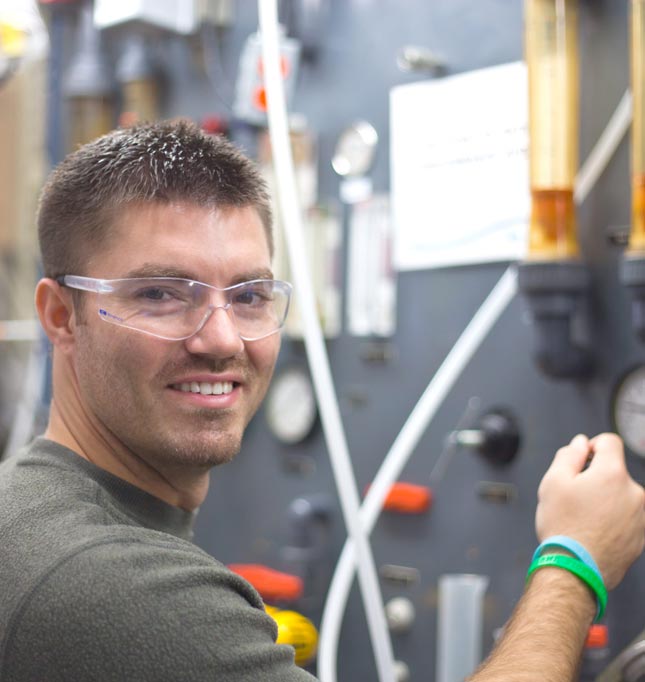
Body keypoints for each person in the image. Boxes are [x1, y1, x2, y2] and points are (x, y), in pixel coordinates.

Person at [0, 120, 642, 682]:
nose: (222, 340)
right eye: (164, 294)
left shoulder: (32, 510)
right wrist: (574, 560)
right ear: (61, 316)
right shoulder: (109, 583)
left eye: (249, 295)